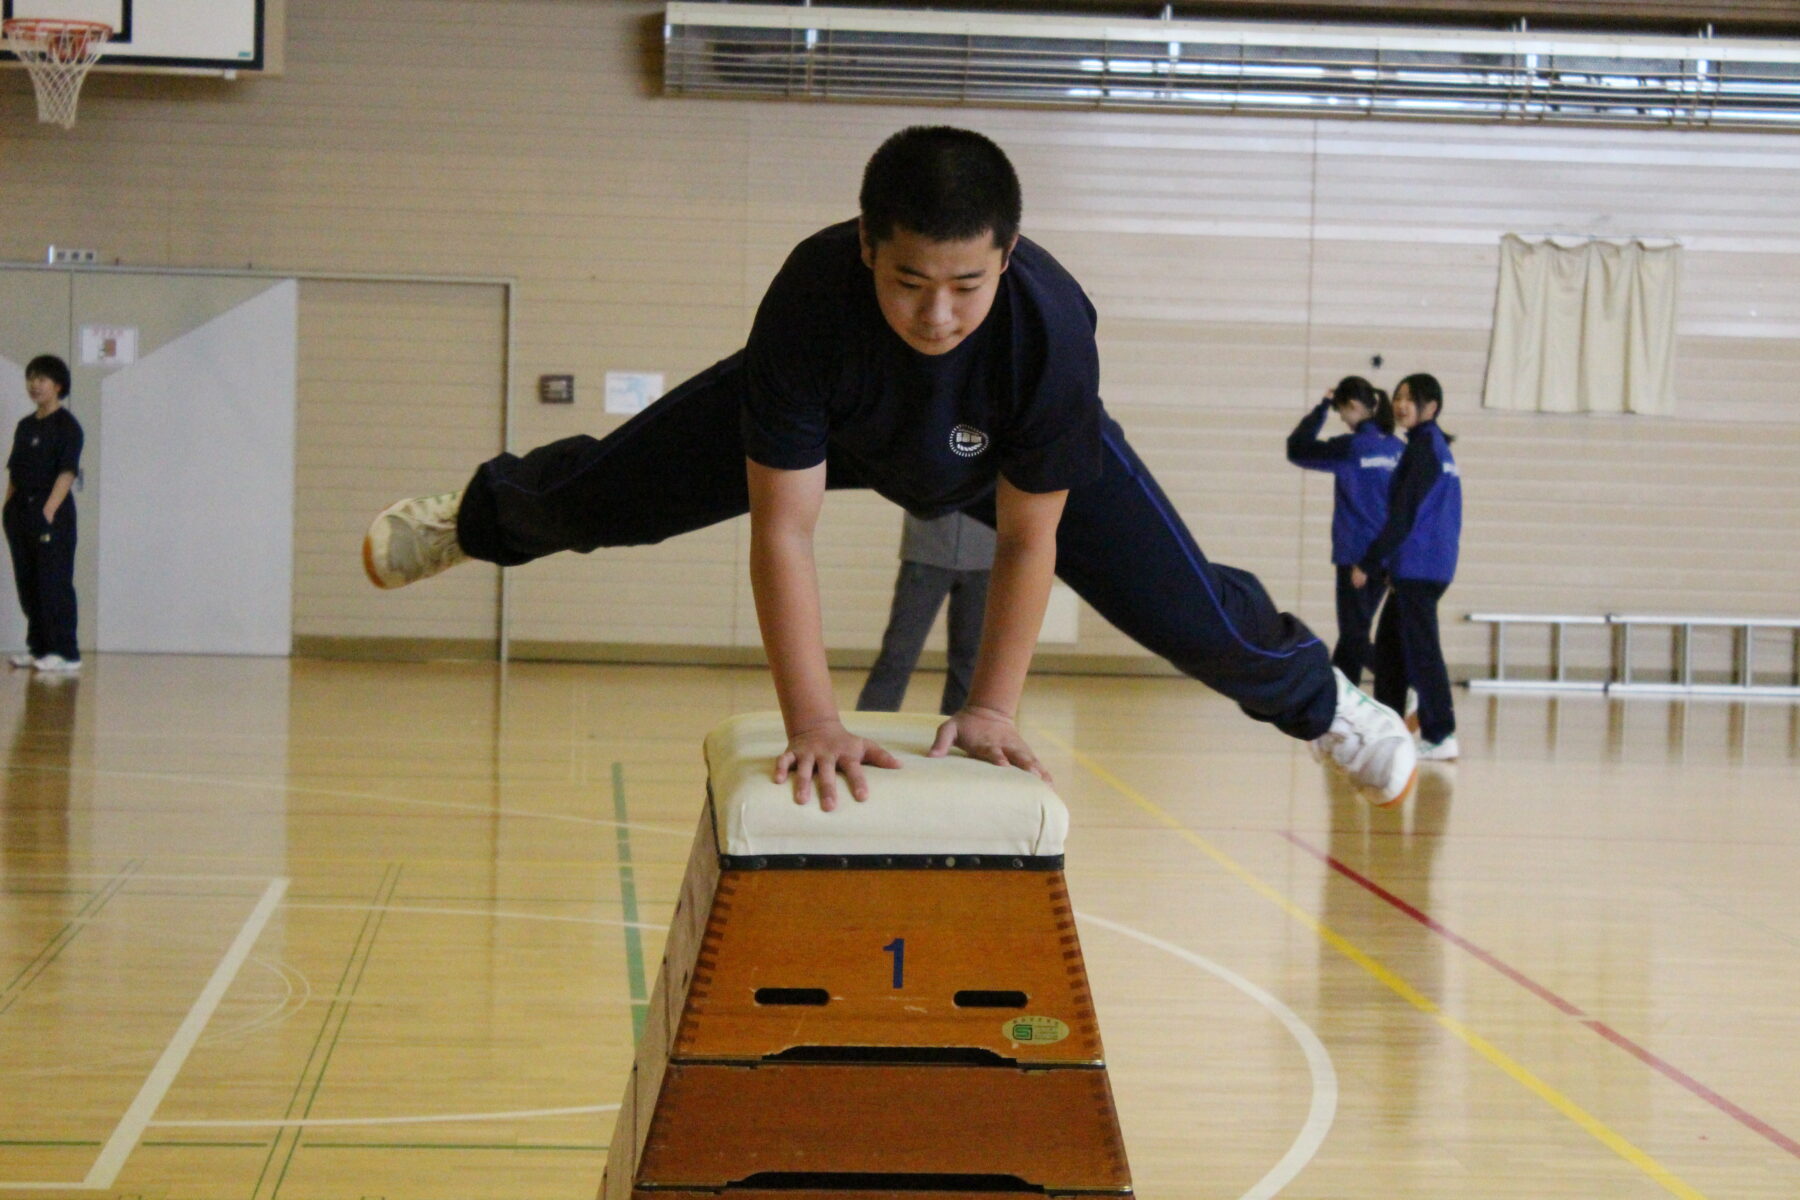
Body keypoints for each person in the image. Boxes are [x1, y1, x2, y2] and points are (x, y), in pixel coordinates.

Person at [362, 126, 1417, 810]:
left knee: (1190, 608)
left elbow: (1028, 536)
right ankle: (474, 518)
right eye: (910, 280)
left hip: (1007, 445)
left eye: (967, 283)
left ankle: (1325, 707)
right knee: (609, 493)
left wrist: (993, 710)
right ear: (866, 245)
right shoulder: (811, 302)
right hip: (844, 414)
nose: (938, 312)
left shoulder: (1049, 329)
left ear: (1008, 256)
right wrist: (814, 723)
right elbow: (785, 529)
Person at [1355, 373, 1462, 761]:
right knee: (1390, 652)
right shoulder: (1430, 447)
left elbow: (1402, 516)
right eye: (1398, 397)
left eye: (1410, 399)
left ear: (1430, 408)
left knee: (1422, 651)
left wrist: (1370, 561)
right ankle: (1390, 732)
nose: (1400, 405)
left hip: (1420, 566)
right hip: (1422, 565)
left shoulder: (1423, 451)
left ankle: (1440, 733)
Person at [1285, 376, 1403, 685]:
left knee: (1354, 637)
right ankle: (1337, 707)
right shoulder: (1397, 450)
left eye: (1341, 412)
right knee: (1355, 634)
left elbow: (1296, 448)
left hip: (1355, 558)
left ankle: (1413, 685)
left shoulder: (1349, 447)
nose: (1342, 419)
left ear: (1352, 406)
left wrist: (1322, 406)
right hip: (1386, 556)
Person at [857, 510, 994, 715]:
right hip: (925, 552)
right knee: (899, 650)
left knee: (969, 657)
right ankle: (871, 722)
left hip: (987, 557)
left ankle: (955, 729)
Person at [4, 355, 83, 674]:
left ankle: (66, 652)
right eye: (31, 378)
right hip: (19, 510)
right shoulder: (25, 426)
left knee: (53, 583)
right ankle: (39, 648)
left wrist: (48, 511)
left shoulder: (67, 426)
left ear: (58, 385)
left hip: (50, 513)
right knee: (29, 583)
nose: (35, 385)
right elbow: (14, 471)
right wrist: (6, 510)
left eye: (42, 379)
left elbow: (67, 472)